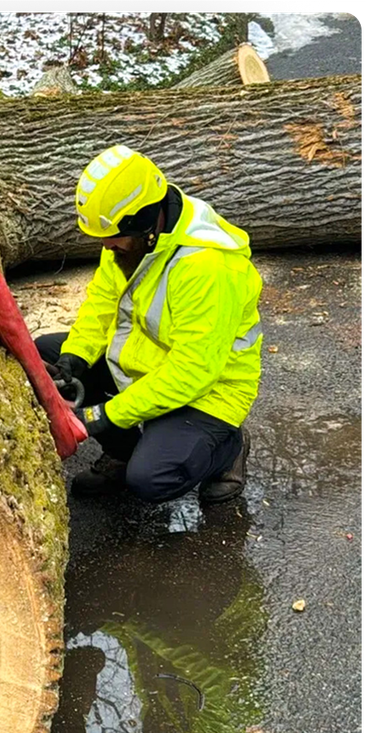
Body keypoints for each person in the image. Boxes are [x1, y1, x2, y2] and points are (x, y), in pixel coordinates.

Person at [38, 145, 261, 505]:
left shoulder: (207, 267)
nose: (106, 247)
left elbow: (192, 370)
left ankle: (228, 447)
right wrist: (75, 357)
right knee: (46, 352)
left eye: (113, 239)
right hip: (149, 361)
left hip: (210, 390)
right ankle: (123, 454)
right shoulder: (130, 238)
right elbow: (102, 303)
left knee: (152, 479)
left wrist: (104, 414)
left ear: (146, 225)